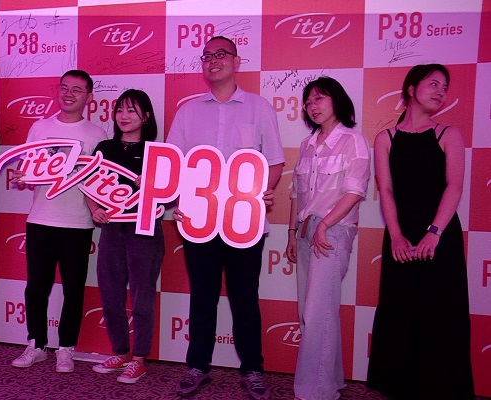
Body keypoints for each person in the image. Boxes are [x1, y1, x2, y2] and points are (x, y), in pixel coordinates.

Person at [167, 36, 285, 399]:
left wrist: (264, 191)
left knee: (244, 297)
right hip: (198, 223)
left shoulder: (258, 107)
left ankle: (253, 369)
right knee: (202, 296)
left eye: (221, 54)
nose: (213, 60)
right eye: (207, 56)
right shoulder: (188, 111)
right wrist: (178, 200)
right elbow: (173, 165)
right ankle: (197, 366)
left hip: (244, 224)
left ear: (236, 61)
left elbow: (274, 161)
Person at [366, 64, 474, 399]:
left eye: (444, 87)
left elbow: (454, 186)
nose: (441, 91)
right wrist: (396, 235)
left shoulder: (449, 134)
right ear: (411, 89)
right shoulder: (385, 138)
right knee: (402, 310)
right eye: (433, 84)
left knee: (440, 312)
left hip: (440, 237)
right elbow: (385, 190)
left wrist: (434, 233)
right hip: (400, 236)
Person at [11, 70, 108, 373]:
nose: (68, 94)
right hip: (40, 218)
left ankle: (66, 348)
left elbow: (99, 181)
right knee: (36, 287)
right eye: (64, 88)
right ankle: (36, 344)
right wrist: (22, 175)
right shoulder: (40, 127)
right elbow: (28, 167)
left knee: (73, 289)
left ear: (89, 97)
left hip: (78, 223)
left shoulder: (97, 135)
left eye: (77, 90)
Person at [285, 77, 370, 400]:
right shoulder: (307, 144)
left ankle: (314, 392)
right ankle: (330, 381)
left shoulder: (353, 140)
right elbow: (297, 193)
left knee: (317, 312)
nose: (312, 106)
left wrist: (325, 225)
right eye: (308, 102)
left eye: (319, 98)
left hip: (333, 231)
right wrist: (292, 233)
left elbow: (355, 191)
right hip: (307, 229)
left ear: (337, 100)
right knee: (313, 311)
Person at [89, 89, 164, 384]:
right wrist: (95, 209)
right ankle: (120, 352)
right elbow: (88, 182)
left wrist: (153, 185)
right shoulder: (104, 147)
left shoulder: (157, 152)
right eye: (120, 109)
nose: (124, 116)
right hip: (112, 228)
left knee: (142, 297)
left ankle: (139, 359)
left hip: (144, 229)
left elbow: (170, 194)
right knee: (110, 294)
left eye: (131, 110)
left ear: (145, 117)